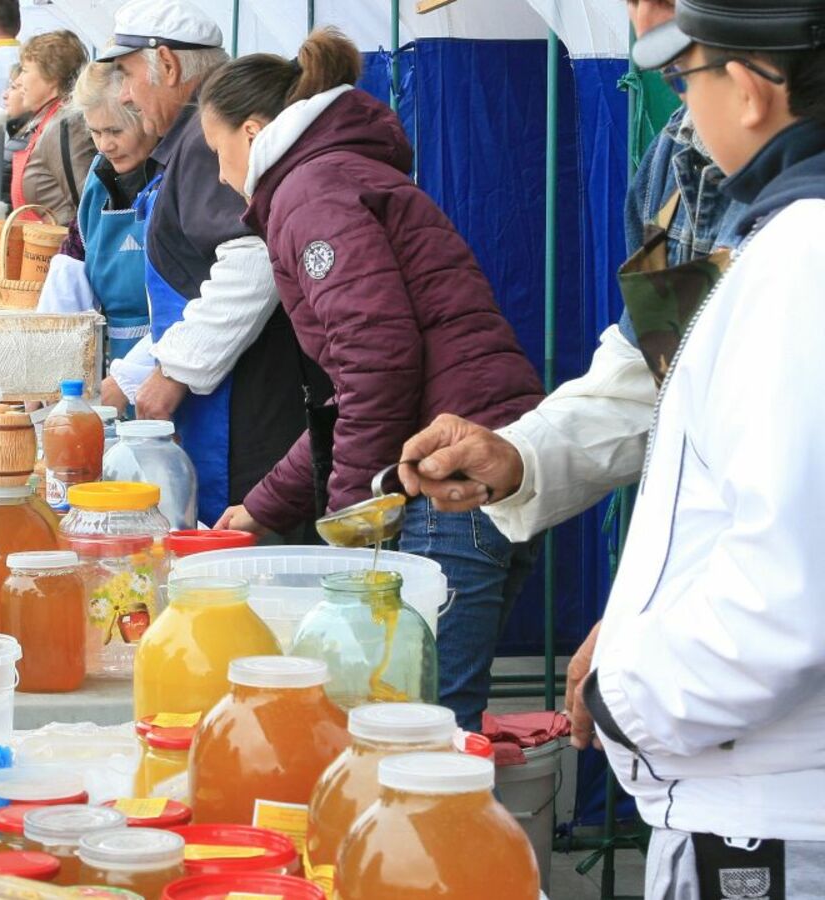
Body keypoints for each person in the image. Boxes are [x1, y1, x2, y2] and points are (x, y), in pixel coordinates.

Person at [397, 0, 750, 748]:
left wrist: (660, 616)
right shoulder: (678, 158)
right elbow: (653, 366)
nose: (644, 16)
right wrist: (518, 455)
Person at [199, 33, 546, 728]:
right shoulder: (332, 177)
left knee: (417, 735)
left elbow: (377, 363)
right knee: (432, 731)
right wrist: (265, 505)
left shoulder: (309, 192)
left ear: (255, 131)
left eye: (217, 151)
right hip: (474, 461)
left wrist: (354, 520)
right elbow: (354, 391)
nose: (220, 174)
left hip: (446, 480)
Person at [582, 2, 822, 892]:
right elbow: (660, 363)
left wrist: (628, 689)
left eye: (686, 74)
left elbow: (787, 589)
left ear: (753, 89)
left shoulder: (802, 255)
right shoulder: (718, 191)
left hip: (769, 812)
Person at [96, 0, 312, 532]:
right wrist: (131, 375)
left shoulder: (199, 142)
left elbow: (254, 259)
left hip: (251, 427)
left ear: (167, 65)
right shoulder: (191, 143)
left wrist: (175, 371)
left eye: (125, 75)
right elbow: (194, 289)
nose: (122, 94)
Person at [38, 61, 159, 365]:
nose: (105, 145)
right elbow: (73, 264)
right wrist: (46, 359)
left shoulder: (176, 178)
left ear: (147, 118)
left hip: (173, 363)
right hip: (116, 364)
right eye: (95, 132)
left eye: (115, 131)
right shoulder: (99, 182)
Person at [13, 30, 97, 224]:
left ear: (52, 76)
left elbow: (86, 203)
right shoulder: (47, 121)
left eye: (25, 71)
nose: (19, 80)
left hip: (60, 248)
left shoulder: (66, 125)